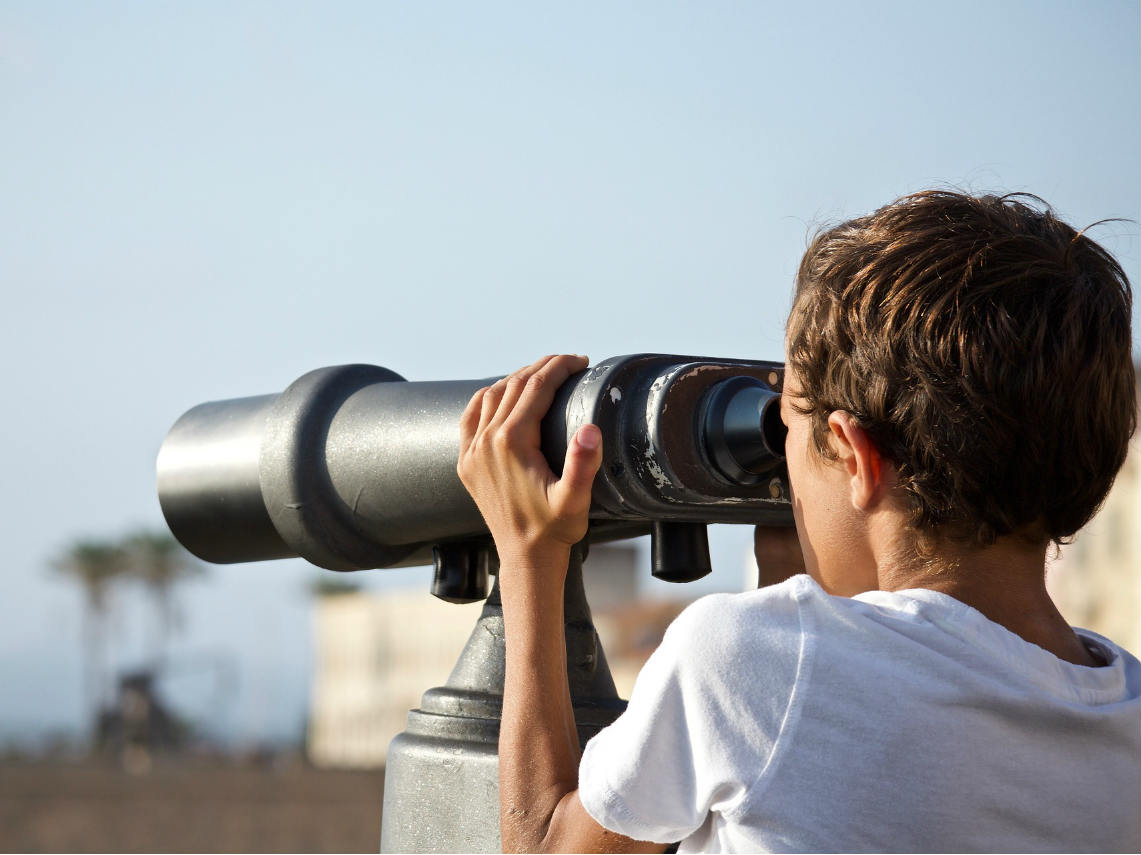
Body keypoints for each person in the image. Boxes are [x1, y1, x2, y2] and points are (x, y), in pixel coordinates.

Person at [456, 190, 1141, 853]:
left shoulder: (752, 659)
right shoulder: (1124, 711)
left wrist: (528, 554)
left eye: (786, 423)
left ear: (853, 456)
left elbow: (546, 844)